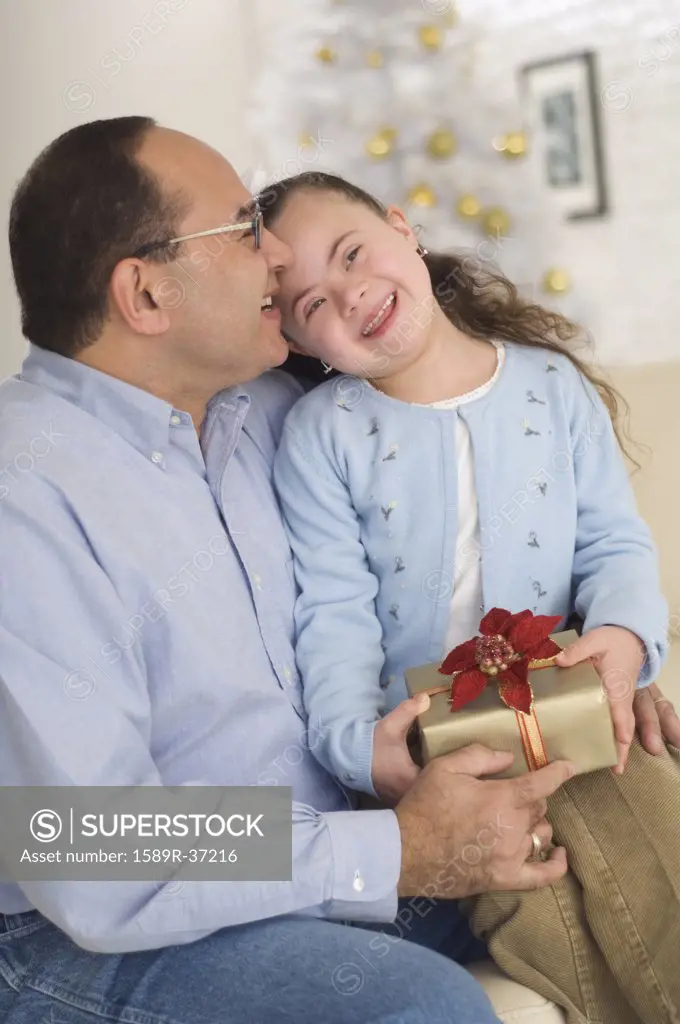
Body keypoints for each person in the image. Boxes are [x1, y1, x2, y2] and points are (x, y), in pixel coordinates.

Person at [0, 117, 582, 1024]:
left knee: (615, 850)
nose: (276, 254)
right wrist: (389, 850)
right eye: (241, 228)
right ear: (145, 294)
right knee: (417, 1010)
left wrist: (599, 651)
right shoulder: (24, 497)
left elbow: (467, 524)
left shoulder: (276, 410)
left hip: (325, 866)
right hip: (91, 932)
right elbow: (93, 843)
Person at [261, 171, 680, 1023]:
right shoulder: (320, 436)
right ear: (304, 346)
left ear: (402, 227)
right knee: (539, 905)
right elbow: (332, 614)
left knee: (657, 838)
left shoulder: (550, 386)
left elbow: (612, 540)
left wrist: (629, 638)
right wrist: (358, 749)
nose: (349, 297)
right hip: (446, 745)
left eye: (353, 254)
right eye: (310, 305)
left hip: (573, 699)